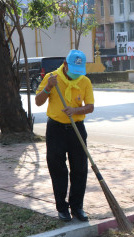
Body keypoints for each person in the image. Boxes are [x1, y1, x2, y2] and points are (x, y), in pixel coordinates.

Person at [35, 49, 94, 222]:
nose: (76, 76)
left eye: (79, 72)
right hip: (56, 130)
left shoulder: (85, 81)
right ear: (65, 64)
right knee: (58, 169)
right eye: (73, 72)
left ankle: (77, 207)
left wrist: (76, 110)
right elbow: (38, 102)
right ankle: (62, 208)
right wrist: (48, 87)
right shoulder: (51, 78)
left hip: (77, 129)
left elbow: (90, 107)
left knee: (80, 169)